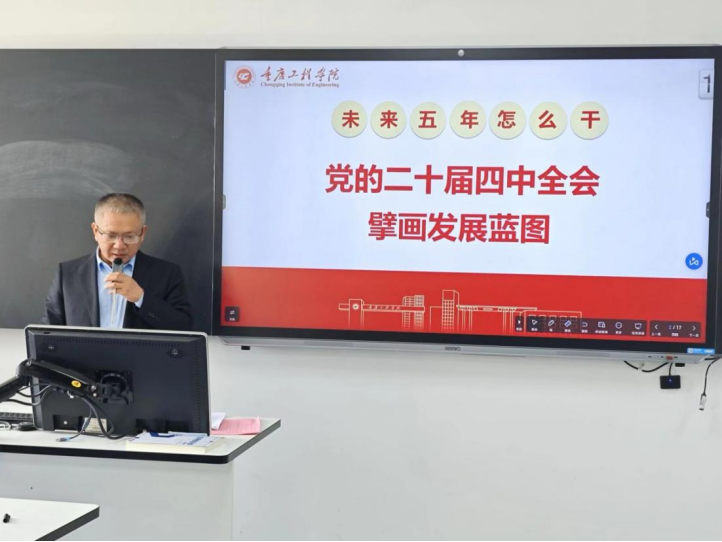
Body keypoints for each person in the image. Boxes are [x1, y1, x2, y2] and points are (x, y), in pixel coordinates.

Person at [42, 193, 193, 331]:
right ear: (95, 231)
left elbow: (183, 327)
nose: (119, 245)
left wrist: (141, 298)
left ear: (142, 233)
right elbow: (47, 332)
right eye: (111, 235)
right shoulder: (68, 274)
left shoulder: (167, 274)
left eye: (129, 236)